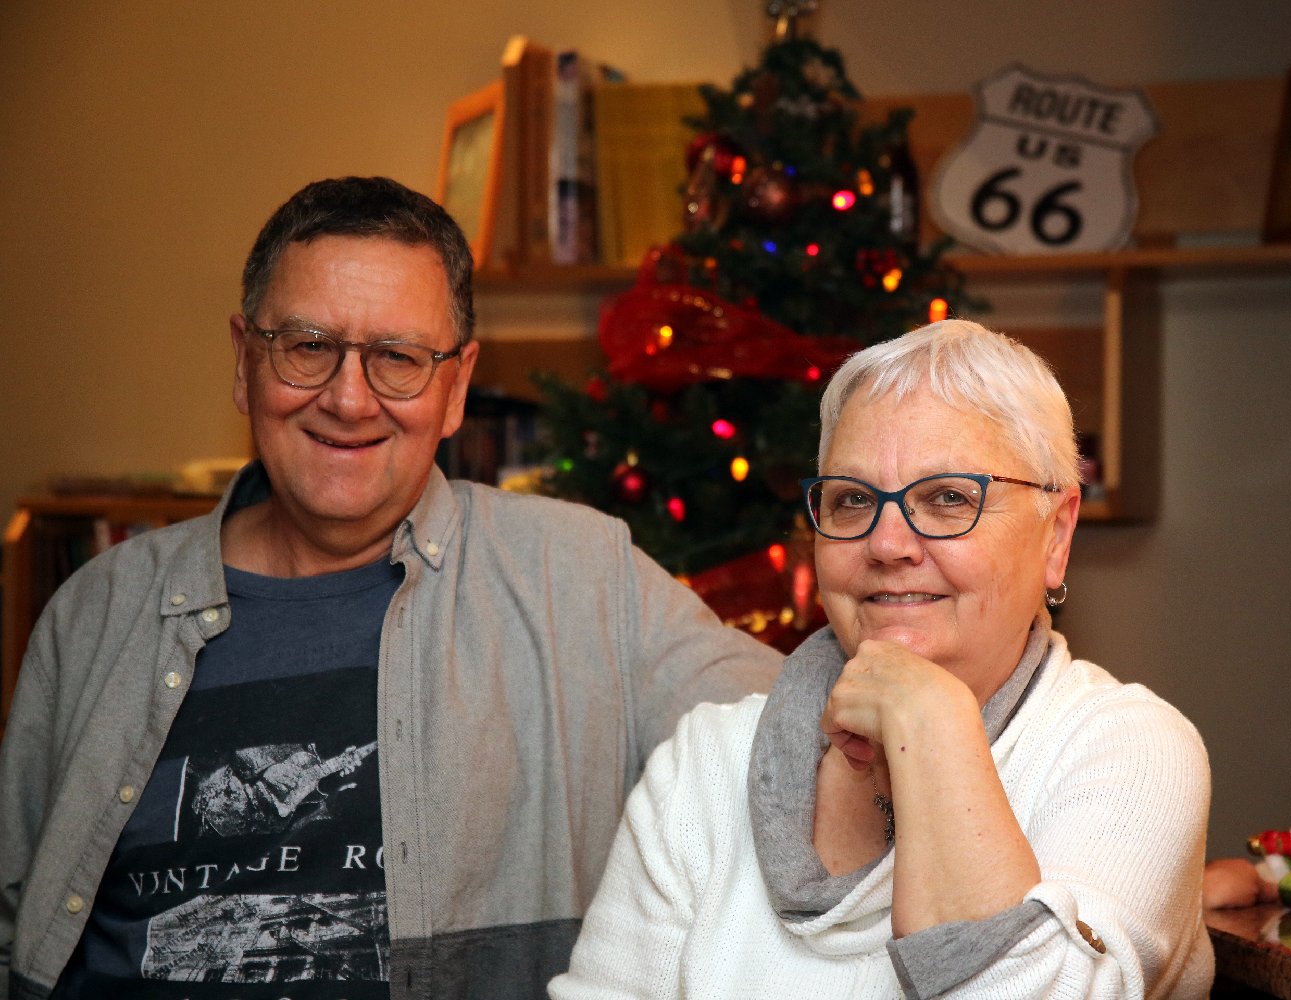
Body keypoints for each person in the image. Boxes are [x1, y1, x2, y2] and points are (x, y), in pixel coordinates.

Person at [0, 176, 781, 1000]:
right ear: (244, 361)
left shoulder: (584, 581)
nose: (348, 399)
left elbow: (797, 743)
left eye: (398, 359)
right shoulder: (95, 613)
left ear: (456, 386)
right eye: (307, 346)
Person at [551, 319, 1213, 999]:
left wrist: (932, 723)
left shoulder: (1130, 752)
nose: (888, 543)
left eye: (948, 497)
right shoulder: (705, 762)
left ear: (1057, 535)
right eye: (853, 500)